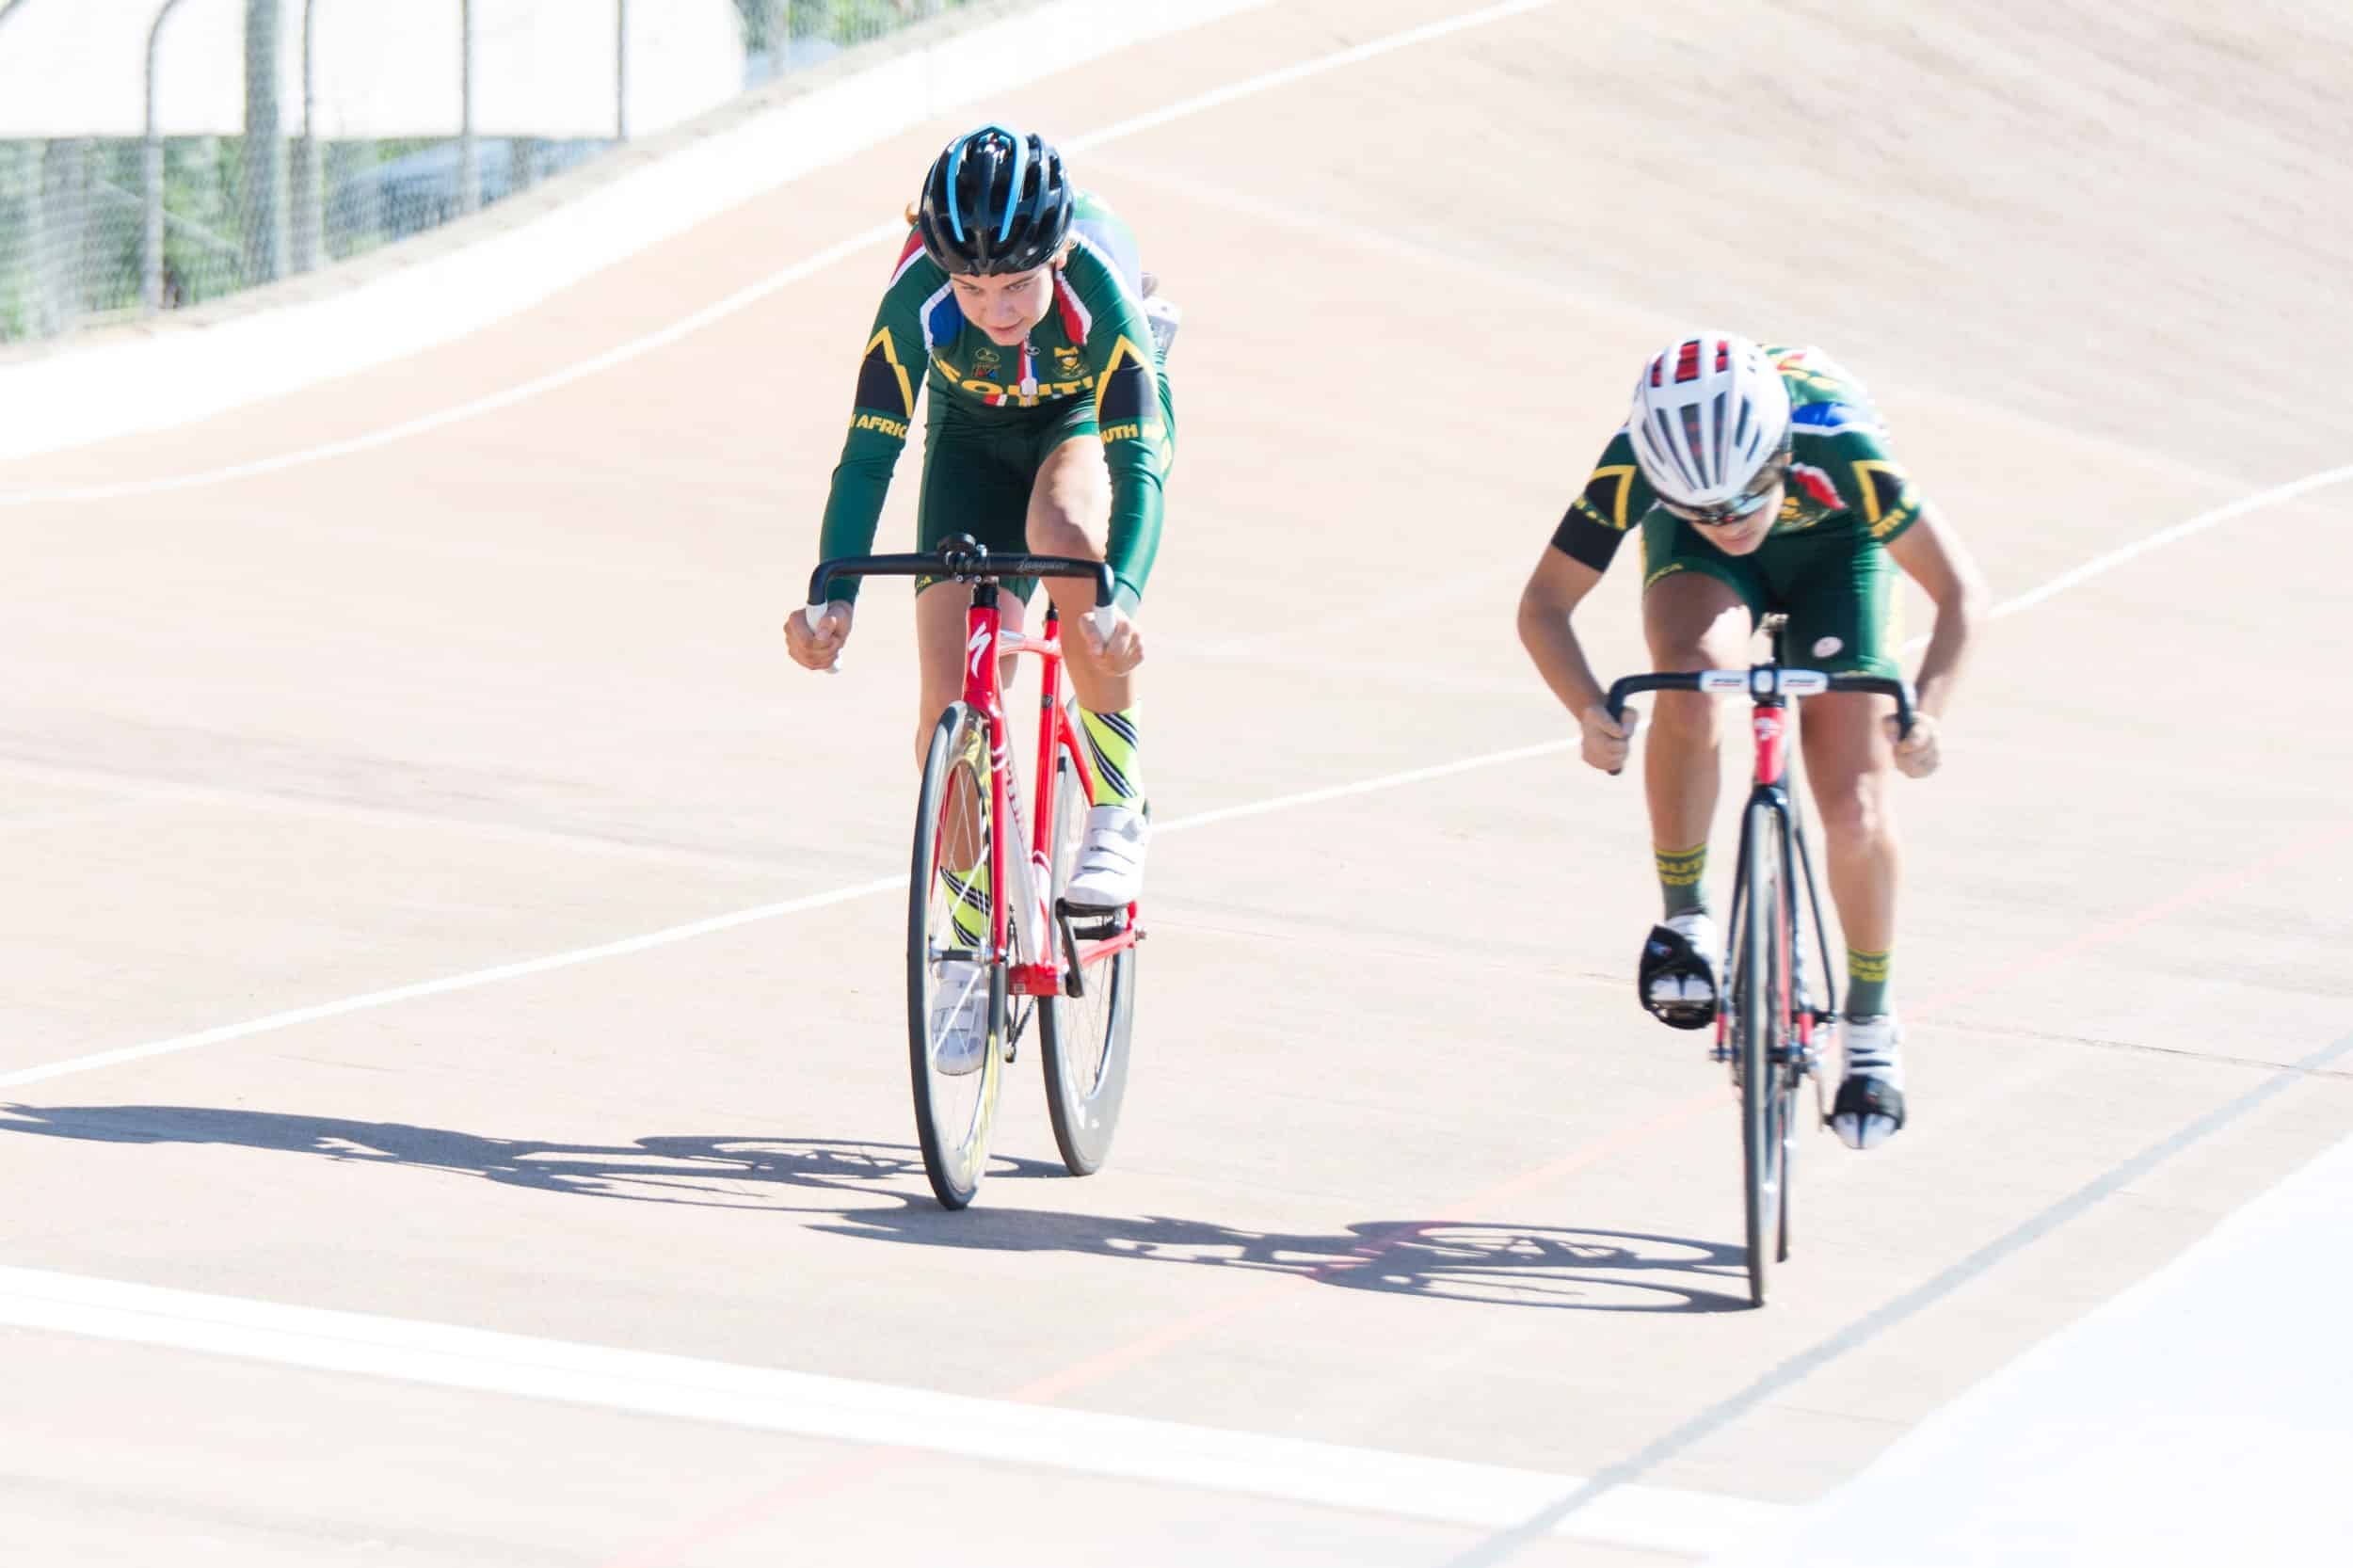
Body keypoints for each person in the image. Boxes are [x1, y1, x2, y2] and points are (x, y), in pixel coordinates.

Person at [1517, 334, 1985, 1148]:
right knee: (1691, 684)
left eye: (1738, 502)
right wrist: (1587, 709)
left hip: (1838, 555)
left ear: (1779, 451)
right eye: (1700, 506)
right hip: (1698, 572)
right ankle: (1686, 918)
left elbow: (1961, 593)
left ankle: (1870, 1023)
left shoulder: (1840, 444)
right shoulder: (1638, 459)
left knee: (1857, 802)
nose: (1726, 523)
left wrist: (1929, 708)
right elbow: (1544, 604)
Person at [784, 124, 1176, 1072]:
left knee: (1067, 546)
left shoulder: (1098, 296)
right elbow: (870, 452)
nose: (995, 306)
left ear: (1054, 255)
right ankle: (964, 936)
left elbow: (1141, 466)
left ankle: (1117, 808)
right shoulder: (915, 292)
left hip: (1077, 422)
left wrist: (1117, 600)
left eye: (1015, 285)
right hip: (965, 440)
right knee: (947, 705)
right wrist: (829, 593)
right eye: (973, 287)